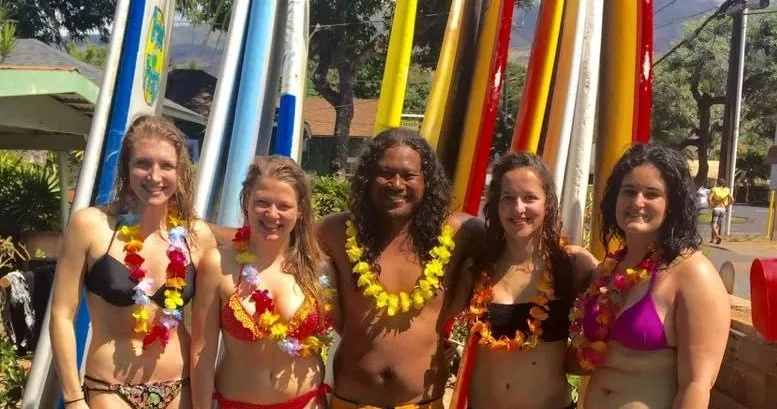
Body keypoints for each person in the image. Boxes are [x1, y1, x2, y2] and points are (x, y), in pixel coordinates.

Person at [50, 115, 217, 409]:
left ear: (180, 174)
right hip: (110, 390)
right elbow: (62, 315)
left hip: (180, 389)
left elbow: (210, 326)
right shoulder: (90, 226)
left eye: (166, 166)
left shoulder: (196, 236)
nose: (154, 176)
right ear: (126, 168)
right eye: (143, 163)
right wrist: (74, 398)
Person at [316, 128, 484, 408]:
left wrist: (576, 257)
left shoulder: (461, 233)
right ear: (368, 179)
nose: (396, 184)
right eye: (385, 173)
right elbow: (272, 240)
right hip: (351, 401)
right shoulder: (334, 231)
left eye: (408, 176)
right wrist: (214, 235)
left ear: (426, 181)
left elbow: (517, 245)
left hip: (423, 403)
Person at [568, 144, 730, 409]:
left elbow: (696, 386)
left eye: (652, 194)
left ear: (672, 205)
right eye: (629, 192)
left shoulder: (692, 273)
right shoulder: (609, 270)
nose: (637, 202)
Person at [190, 156, 335, 409]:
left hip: (307, 403)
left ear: (300, 210)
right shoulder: (218, 265)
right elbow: (201, 353)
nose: (272, 214)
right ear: (246, 201)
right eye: (262, 202)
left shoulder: (318, 267)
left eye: (284, 205)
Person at [456, 153, 584, 409]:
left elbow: (613, 301)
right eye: (508, 198)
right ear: (496, 206)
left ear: (547, 204)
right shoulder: (478, 265)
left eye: (530, 198)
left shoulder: (571, 265)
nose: (518, 209)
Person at [709, 178, 735, 244]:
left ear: (717, 183)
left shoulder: (714, 189)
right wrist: (727, 205)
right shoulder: (726, 190)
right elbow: (732, 199)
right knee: (718, 225)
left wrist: (710, 205)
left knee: (713, 224)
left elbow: (709, 198)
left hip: (716, 208)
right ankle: (713, 239)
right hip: (723, 209)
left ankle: (717, 236)